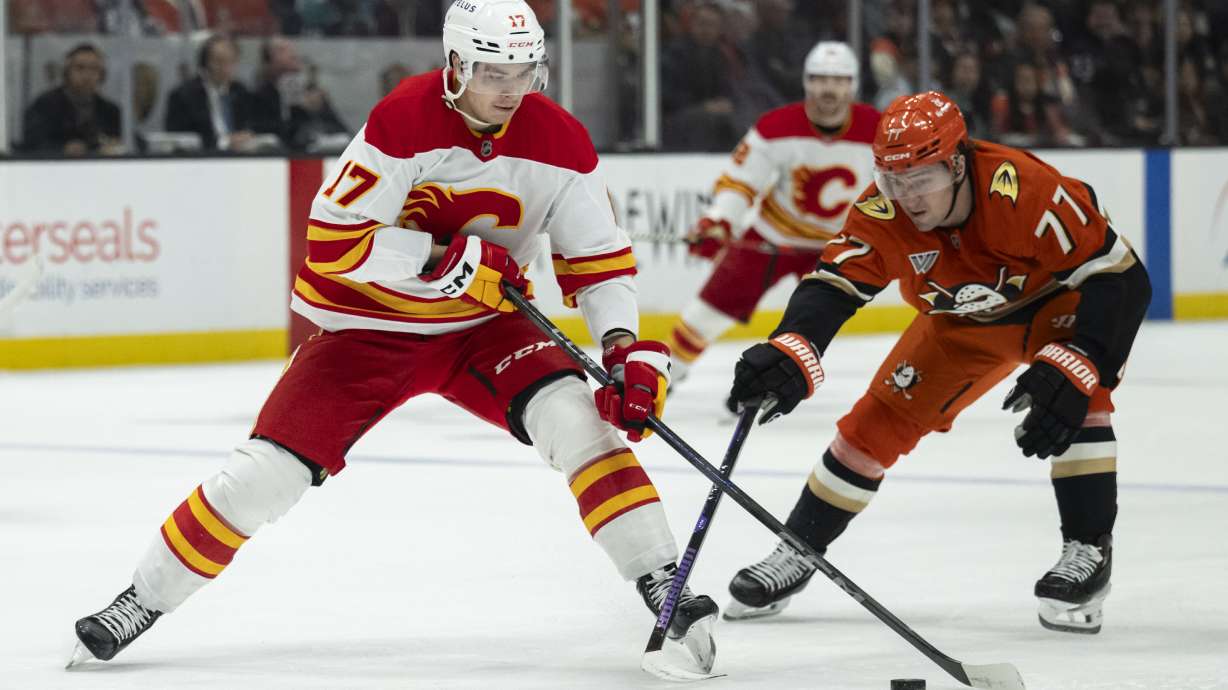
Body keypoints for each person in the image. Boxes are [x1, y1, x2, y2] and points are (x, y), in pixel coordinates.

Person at [70, 0, 717, 670]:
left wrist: (620, 348)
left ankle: (661, 576)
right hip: (369, 328)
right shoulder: (405, 119)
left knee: (579, 423)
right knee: (265, 479)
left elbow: (599, 259)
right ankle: (142, 597)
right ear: (456, 63)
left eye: (524, 70)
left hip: (484, 329)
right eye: (493, 71)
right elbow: (331, 243)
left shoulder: (561, 141)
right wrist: (445, 260)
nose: (510, 89)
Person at [723, 91, 1150, 634]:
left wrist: (1081, 358)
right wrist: (794, 343)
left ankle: (1088, 549)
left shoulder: (1025, 190)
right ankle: (799, 548)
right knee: (871, 428)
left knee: (1077, 395)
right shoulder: (884, 211)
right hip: (960, 327)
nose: (904, 197)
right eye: (891, 179)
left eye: (918, 179)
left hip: (1056, 309)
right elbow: (834, 283)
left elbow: (1121, 277)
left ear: (956, 163)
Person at [666, 42, 879, 387]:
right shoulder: (775, 126)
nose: (828, 89)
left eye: (838, 80)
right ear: (807, 82)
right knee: (705, 312)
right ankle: (667, 376)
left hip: (837, 247)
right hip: (773, 237)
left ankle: (775, 383)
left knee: (810, 325)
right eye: (820, 79)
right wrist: (720, 221)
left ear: (852, 84)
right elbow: (740, 182)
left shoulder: (878, 130)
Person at [21, 44, 122, 155]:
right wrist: (62, 149)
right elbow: (30, 145)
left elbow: (136, 144)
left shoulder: (110, 110)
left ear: (102, 75)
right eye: (80, 68)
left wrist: (117, 145)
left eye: (94, 69)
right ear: (66, 72)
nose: (87, 75)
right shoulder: (45, 106)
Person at [164, 34, 256, 151]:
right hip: (203, 160)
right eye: (219, 62)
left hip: (242, 158)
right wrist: (225, 142)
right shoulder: (184, 95)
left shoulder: (241, 91)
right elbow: (182, 140)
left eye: (231, 61)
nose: (226, 68)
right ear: (205, 64)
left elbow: (250, 126)